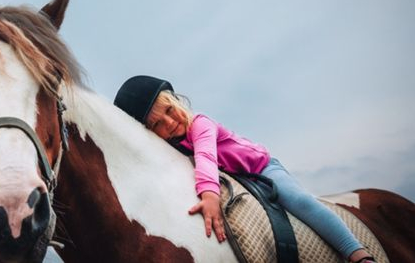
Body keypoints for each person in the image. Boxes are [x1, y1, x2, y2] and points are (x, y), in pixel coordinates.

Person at [113, 75, 376, 263]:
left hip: (261, 169)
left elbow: (205, 157)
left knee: (299, 201)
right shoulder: (172, 148)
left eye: (170, 110)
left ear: (176, 101)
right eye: (158, 123)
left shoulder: (200, 125)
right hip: (237, 181)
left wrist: (210, 196)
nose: (170, 122)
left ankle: (356, 252)